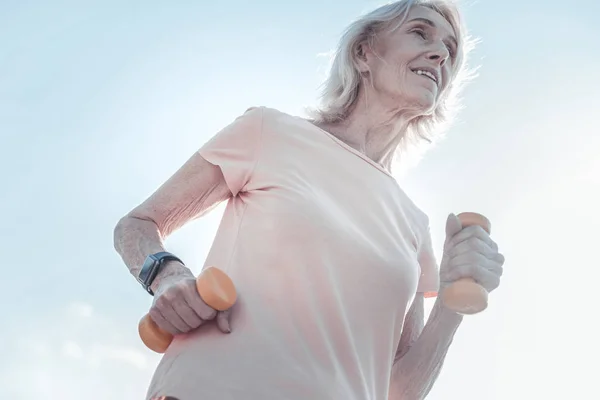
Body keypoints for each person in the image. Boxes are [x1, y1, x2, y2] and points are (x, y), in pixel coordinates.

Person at [113, 0, 505, 399]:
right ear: (363, 52)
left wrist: (452, 304)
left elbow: (398, 391)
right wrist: (168, 276)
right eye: (420, 32)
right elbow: (138, 225)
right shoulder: (268, 131)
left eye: (451, 50)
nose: (440, 54)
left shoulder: (414, 224)